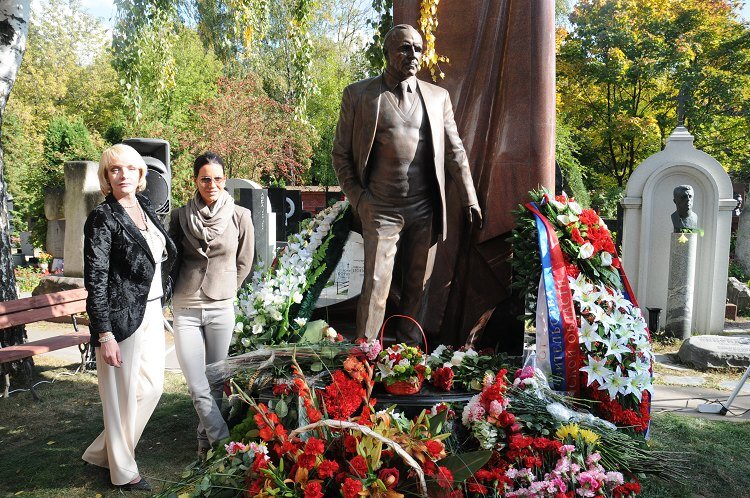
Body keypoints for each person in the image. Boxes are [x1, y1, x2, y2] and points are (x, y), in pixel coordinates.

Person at [331, 24, 482, 344]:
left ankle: (409, 360)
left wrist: (469, 196)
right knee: (376, 285)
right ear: (387, 53)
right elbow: (340, 155)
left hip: (423, 207)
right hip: (380, 207)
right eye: (404, 48)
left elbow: (455, 151)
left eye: (418, 48)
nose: (413, 55)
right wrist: (359, 199)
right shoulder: (359, 94)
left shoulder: (438, 97)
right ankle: (364, 361)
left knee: (417, 288)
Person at [82, 144, 176, 491]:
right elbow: (96, 278)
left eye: (130, 169)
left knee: (152, 387)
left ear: (141, 175)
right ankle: (123, 471)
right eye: (114, 170)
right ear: (106, 177)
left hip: (151, 310)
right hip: (121, 318)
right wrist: (104, 334)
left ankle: (100, 451)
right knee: (120, 395)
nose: (123, 175)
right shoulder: (102, 219)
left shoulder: (145, 207)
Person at [169, 152, 254, 457]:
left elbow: (245, 261)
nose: (212, 184)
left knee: (216, 381)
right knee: (196, 384)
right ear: (196, 180)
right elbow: (173, 258)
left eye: (218, 178)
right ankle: (223, 444)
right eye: (205, 178)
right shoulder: (179, 216)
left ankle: (204, 444)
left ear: (224, 180)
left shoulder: (240, 216)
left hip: (221, 306)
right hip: (186, 305)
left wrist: (229, 289)